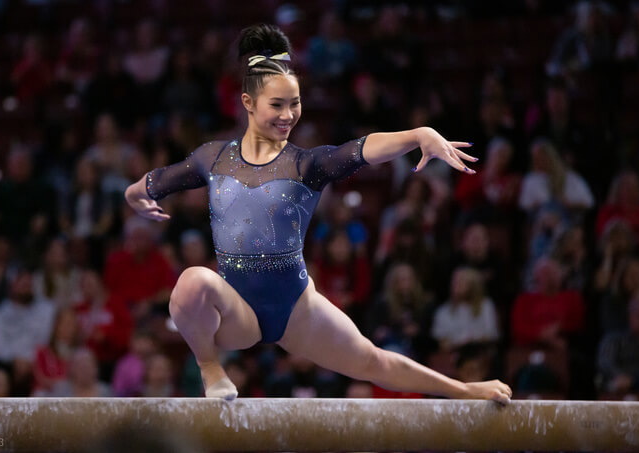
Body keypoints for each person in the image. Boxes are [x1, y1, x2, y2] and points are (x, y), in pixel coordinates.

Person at [125, 24, 512, 403]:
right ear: (247, 103)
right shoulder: (213, 159)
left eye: (295, 104)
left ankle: (463, 390)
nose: (288, 115)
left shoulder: (307, 165)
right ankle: (211, 367)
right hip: (236, 312)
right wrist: (135, 194)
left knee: (371, 359)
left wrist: (417, 135)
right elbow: (158, 180)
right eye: (276, 104)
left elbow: (362, 149)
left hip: (297, 308)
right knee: (192, 282)